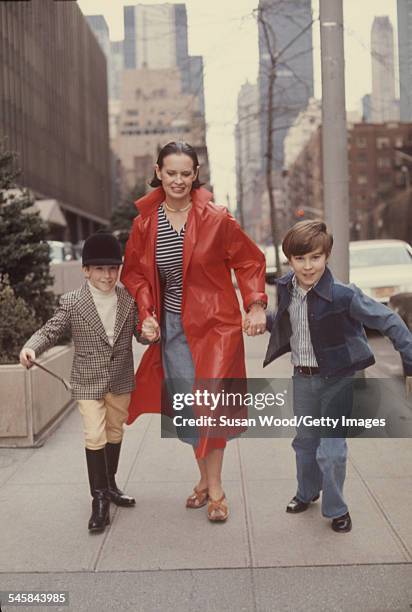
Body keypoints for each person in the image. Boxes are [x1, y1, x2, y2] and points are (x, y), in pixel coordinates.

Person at [121, 141, 267, 522]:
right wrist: (146, 311)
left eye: (187, 173)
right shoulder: (144, 224)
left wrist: (254, 304)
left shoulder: (217, 218)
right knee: (187, 408)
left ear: (196, 174)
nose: (179, 180)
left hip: (215, 326)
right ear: (158, 172)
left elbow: (250, 260)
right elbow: (136, 273)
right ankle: (203, 481)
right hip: (173, 330)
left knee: (211, 406)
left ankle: (216, 490)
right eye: (171, 172)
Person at [263, 220, 412, 533]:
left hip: (338, 380)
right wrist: (261, 320)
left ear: (326, 256)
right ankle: (306, 492)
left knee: (331, 451)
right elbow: (286, 321)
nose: (308, 266)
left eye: (315, 258)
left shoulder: (344, 295)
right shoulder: (287, 287)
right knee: (304, 442)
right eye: (300, 259)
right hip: (302, 378)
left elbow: (389, 321)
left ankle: (337, 509)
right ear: (289, 260)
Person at [20, 232, 137, 534]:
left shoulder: (129, 299)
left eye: (113, 268)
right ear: (85, 270)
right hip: (87, 381)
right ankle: (98, 501)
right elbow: (50, 330)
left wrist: (150, 331)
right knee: (94, 433)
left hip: (120, 378)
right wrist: (32, 346)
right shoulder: (72, 302)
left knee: (114, 430)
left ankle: (110, 485)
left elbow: (141, 333)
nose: (107, 275)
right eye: (99, 268)